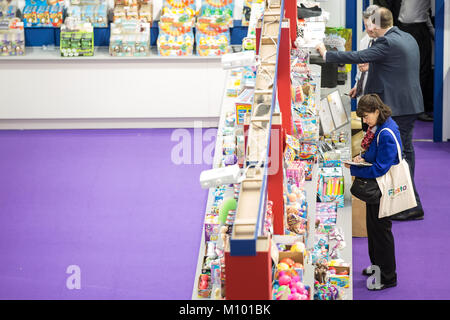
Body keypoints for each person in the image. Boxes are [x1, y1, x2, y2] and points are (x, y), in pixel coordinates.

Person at [315, 7, 424, 221]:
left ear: (374, 24)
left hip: (398, 108)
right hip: (409, 103)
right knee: (405, 153)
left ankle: (409, 204)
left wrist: (326, 53)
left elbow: (358, 56)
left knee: (399, 157)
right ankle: (406, 201)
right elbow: (390, 68)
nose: (368, 29)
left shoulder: (386, 43)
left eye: (368, 25)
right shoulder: (407, 36)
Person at [344, 94, 400, 290]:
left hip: (382, 189)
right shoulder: (379, 127)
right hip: (376, 188)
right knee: (373, 229)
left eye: (367, 116)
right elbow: (374, 154)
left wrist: (354, 168)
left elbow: (381, 167)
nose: (365, 121)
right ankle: (377, 267)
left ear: (377, 111)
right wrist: (361, 158)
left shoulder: (386, 132)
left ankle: (388, 276)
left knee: (381, 232)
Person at [397, 0, 434, 121]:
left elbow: (419, 12)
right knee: (421, 69)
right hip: (415, 28)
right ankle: (416, 109)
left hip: (405, 27)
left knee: (410, 69)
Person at [349, 5, 379, 100]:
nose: (368, 29)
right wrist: (357, 85)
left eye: (370, 25)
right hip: (363, 93)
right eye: (366, 25)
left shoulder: (386, 42)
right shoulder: (364, 40)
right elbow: (360, 69)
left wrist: (371, 66)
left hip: (377, 94)